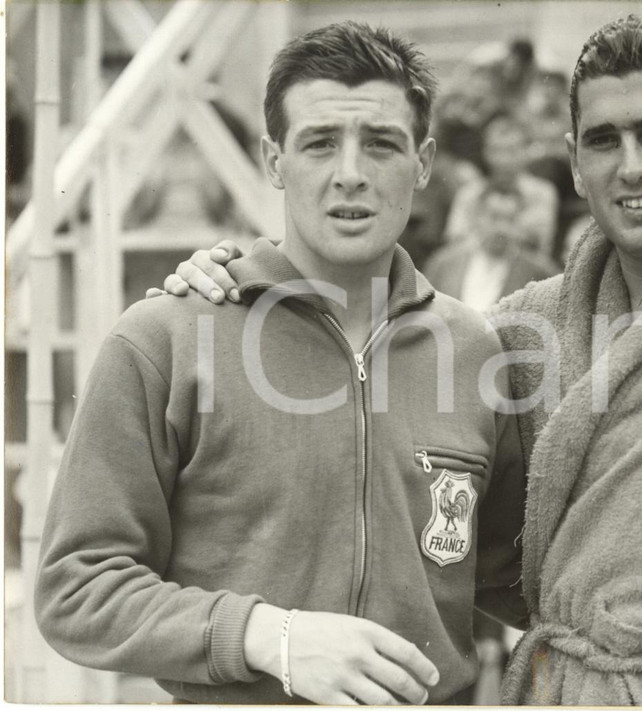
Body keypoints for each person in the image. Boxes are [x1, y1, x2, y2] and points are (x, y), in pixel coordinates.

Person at [157, 14, 642, 707]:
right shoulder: (519, 329)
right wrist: (240, 279)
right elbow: (372, 379)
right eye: (603, 141)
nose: (630, 165)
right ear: (571, 161)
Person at [34, 21, 527, 705]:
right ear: (273, 160)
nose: (350, 173)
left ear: (423, 161)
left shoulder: (473, 348)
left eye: (381, 144)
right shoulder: (167, 338)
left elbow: (514, 571)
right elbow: (78, 586)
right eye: (320, 142)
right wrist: (269, 635)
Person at [422, 180, 558, 312]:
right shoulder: (444, 263)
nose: (502, 228)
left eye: (510, 220)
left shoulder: (538, 271)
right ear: (478, 217)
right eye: (494, 217)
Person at [444, 112, 559, 258]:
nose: (504, 160)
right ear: (485, 152)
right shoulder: (469, 193)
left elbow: (538, 243)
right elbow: (454, 240)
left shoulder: (542, 192)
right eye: (497, 151)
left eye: (512, 150)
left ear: (526, 151)